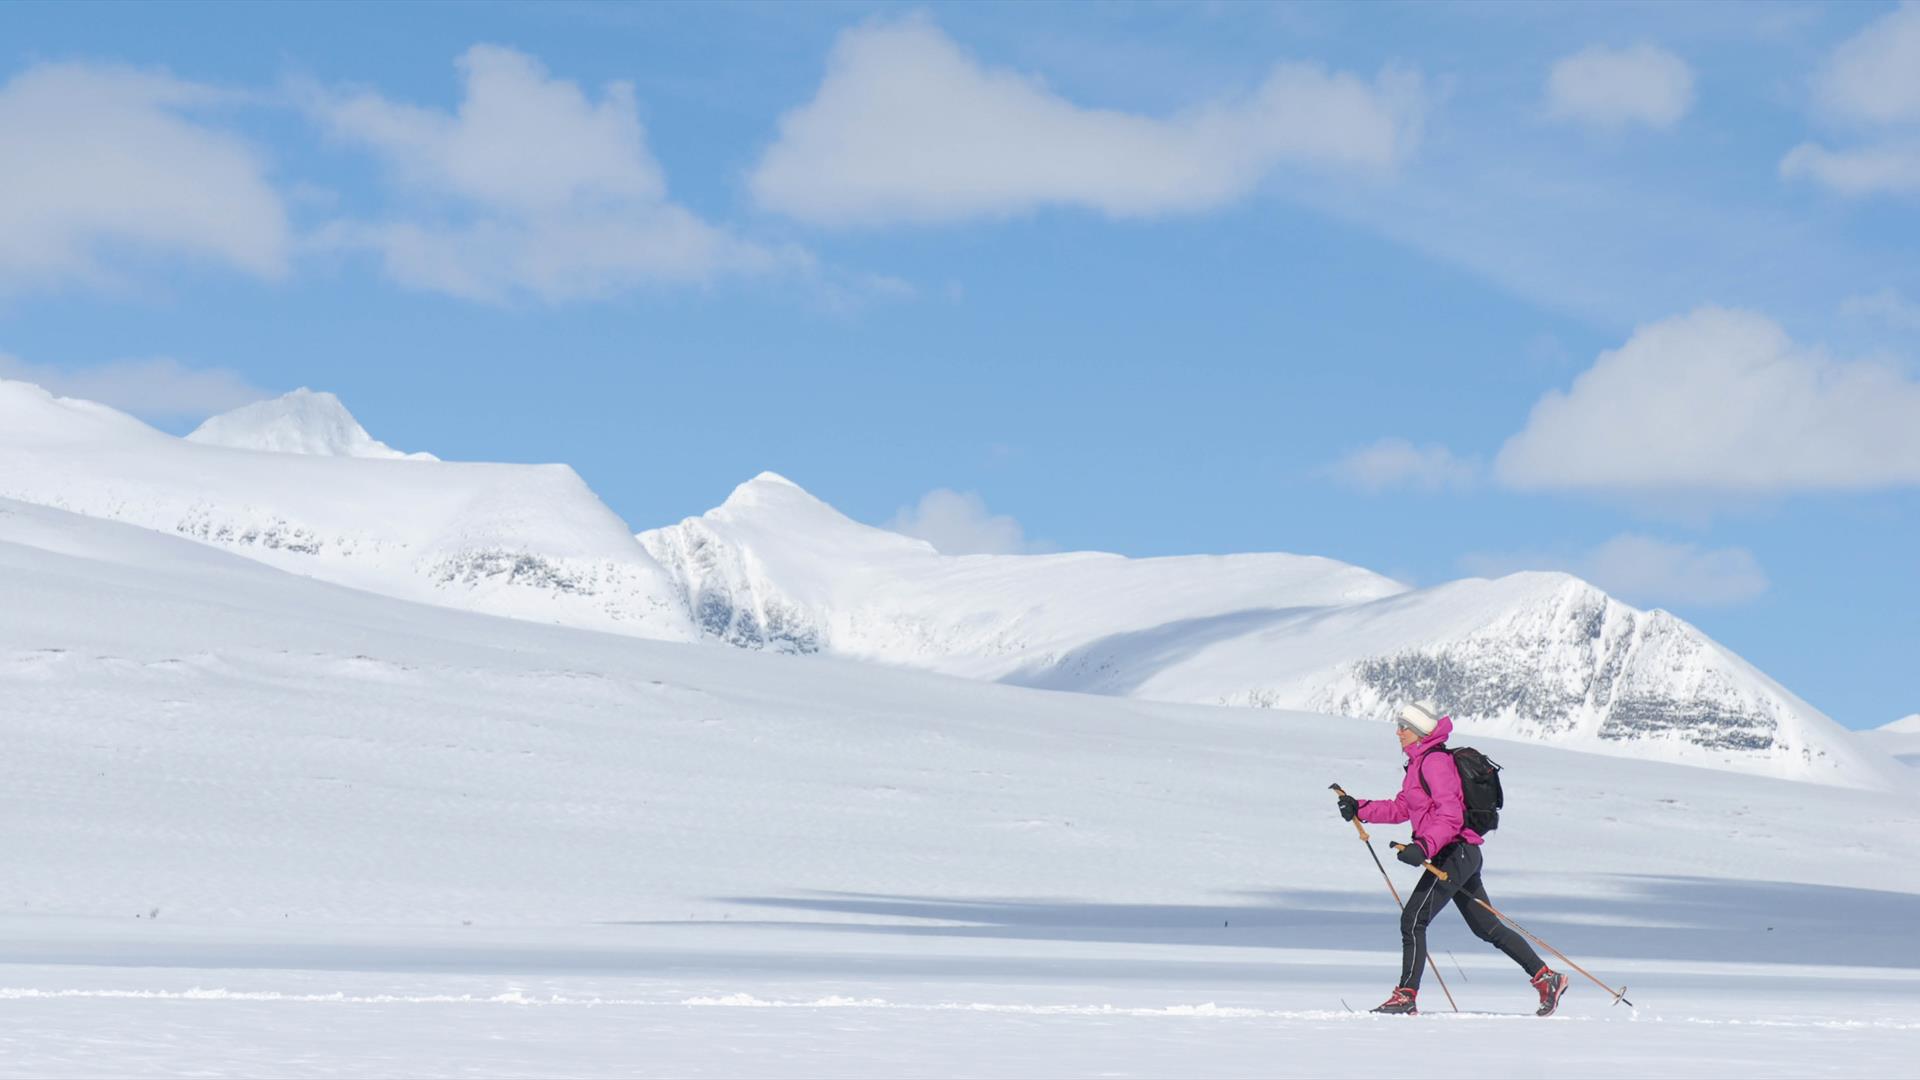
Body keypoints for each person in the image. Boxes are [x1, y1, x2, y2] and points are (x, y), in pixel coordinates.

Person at [1336, 699, 1570, 1016]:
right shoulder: (1419, 764)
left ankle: (1406, 995)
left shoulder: (1434, 763)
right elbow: (1402, 807)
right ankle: (1546, 979)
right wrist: (1359, 807)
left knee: (1413, 919)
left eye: (1403, 727)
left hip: (1453, 852)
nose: (1398, 732)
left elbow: (1450, 815)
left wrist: (1424, 847)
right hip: (1459, 853)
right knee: (1486, 928)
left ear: (1418, 732)